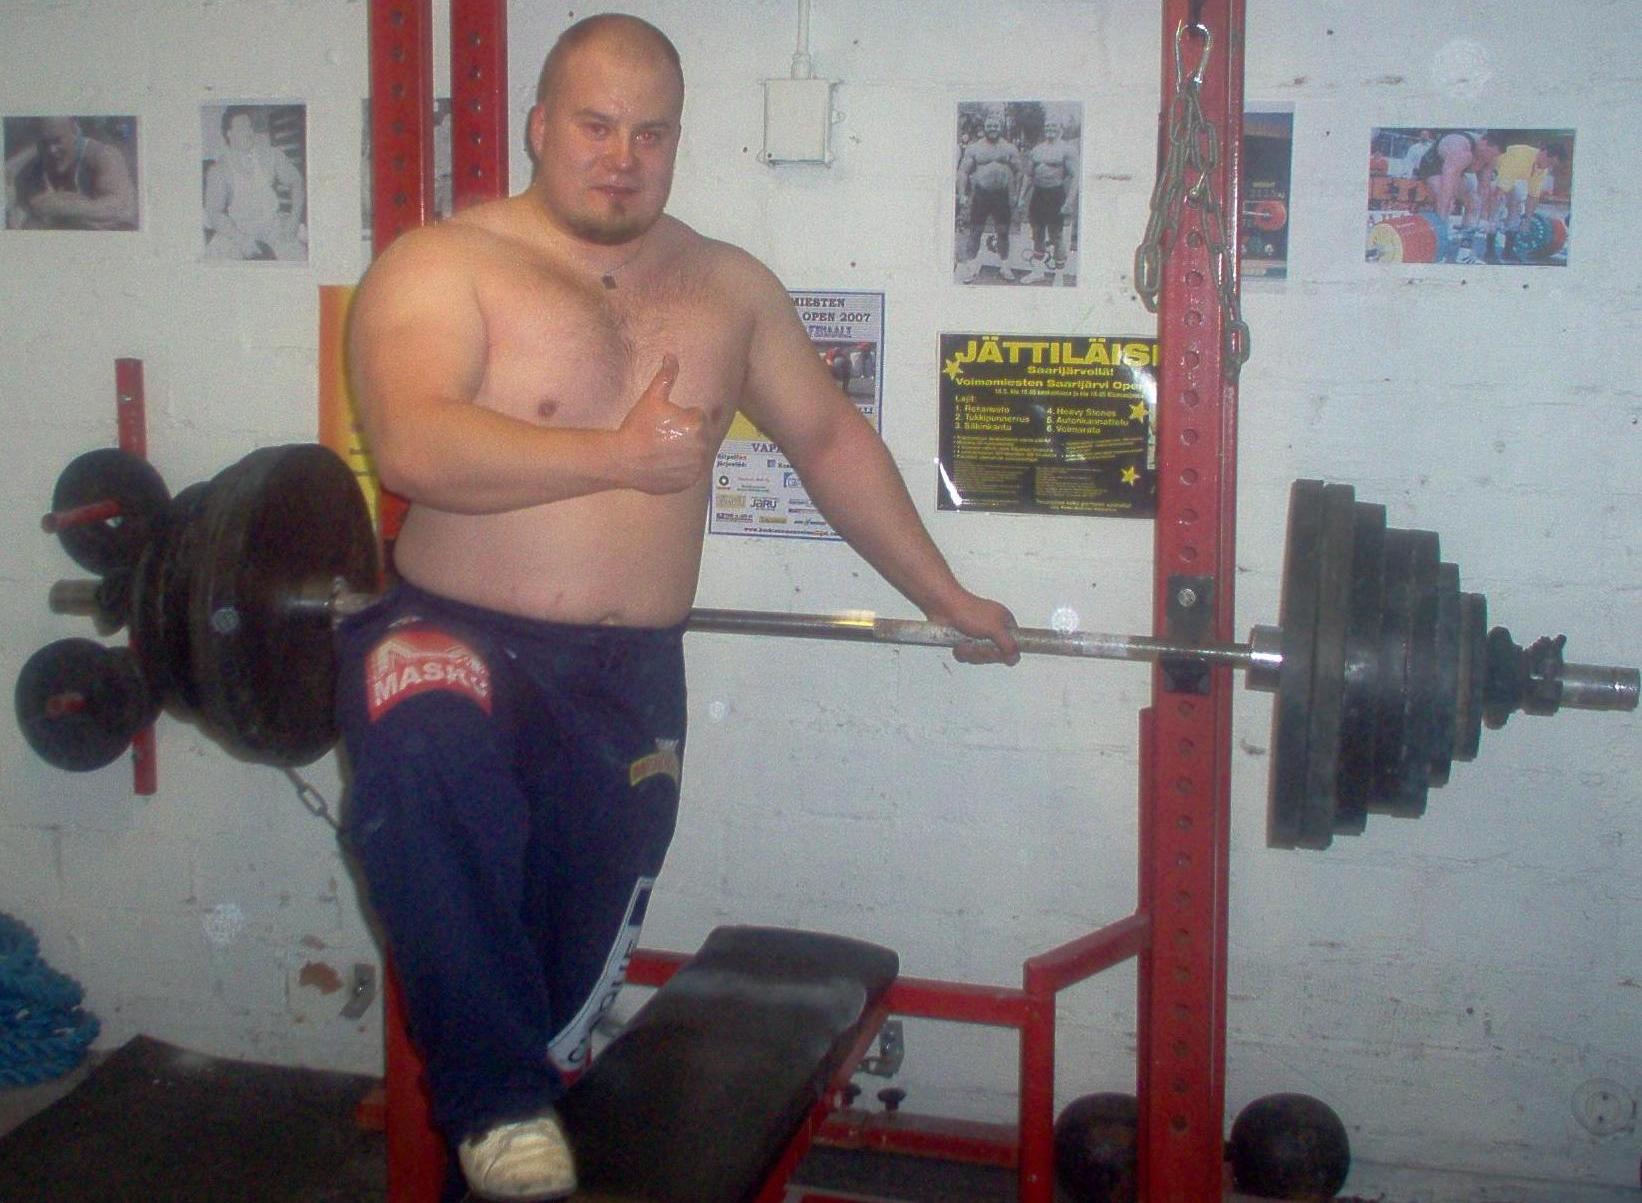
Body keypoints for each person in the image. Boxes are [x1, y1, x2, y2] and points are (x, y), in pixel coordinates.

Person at [340, 15, 1019, 1203]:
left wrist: (947, 595)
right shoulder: (443, 264)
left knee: (558, 1000)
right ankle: (493, 1104)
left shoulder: (726, 286)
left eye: (650, 133)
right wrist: (613, 455)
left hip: (625, 685)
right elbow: (413, 443)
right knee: (425, 758)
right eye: (595, 126)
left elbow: (828, 439)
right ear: (540, 127)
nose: (622, 157)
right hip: (457, 635)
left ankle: (509, 1128)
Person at [203, 106, 306, 260]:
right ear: (229, 134)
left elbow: (296, 181)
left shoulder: (270, 154)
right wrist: (241, 239)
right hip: (238, 230)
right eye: (242, 128)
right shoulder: (219, 170)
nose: (248, 132)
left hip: (273, 226)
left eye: (249, 127)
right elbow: (214, 212)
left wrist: (294, 220)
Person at [4, 116, 137, 230]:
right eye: (44, 143)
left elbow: (121, 208)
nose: (51, 150)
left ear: (74, 131)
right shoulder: (35, 161)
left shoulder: (103, 156)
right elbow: (9, 179)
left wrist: (61, 206)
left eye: (57, 141)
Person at [955, 113, 1024, 282]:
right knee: (975, 231)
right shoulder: (974, 148)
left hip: (1002, 195)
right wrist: (962, 194)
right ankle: (971, 267)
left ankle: (1005, 267)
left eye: (995, 126)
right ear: (984, 128)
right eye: (989, 126)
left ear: (1000, 127)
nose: (992, 128)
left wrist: (1015, 193)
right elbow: (963, 172)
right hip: (981, 195)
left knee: (1003, 231)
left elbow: (1019, 172)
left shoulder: (1009, 148)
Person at [1018, 119, 1078, 276]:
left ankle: (1059, 276)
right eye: (1047, 126)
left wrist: (1069, 202)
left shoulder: (1067, 149)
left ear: (1060, 128)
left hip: (1055, 195)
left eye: (1054, 125)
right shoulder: (1037, 150)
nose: (1050, 128)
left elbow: (1076, 176)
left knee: (1056, 235)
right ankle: (1037, 272)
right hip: (1038, 195)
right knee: (1037, 233)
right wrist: (1021, 197)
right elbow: (1028, 175)